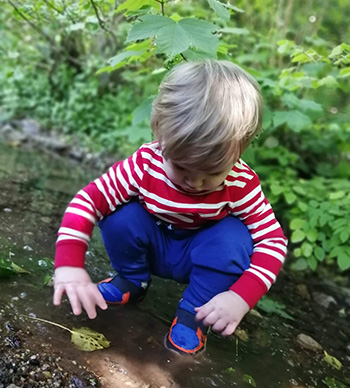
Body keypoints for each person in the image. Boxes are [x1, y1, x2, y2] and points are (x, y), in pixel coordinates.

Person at [53, 60, 287, 355]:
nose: (196, 183)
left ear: (240, 150)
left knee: (235, 237)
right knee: (119, 215)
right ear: (159, 135)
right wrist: (69, 264)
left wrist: (241, 297)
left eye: (213, 173)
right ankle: (131, 280)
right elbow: (88, 201)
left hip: (201, 256)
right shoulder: (144, 165)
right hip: (155, 245)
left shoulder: (241, 183)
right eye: (182, 167)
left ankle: (194, 312)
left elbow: (272, 241)